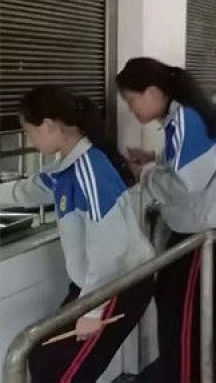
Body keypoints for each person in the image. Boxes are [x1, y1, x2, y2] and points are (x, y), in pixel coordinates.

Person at [0, 86, 155, 383]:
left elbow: (109, 250)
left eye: (29, 131)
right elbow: (28, 190)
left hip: (118, 285)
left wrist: (92, 312)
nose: (30, 140)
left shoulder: (90, 171)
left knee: (59, 373)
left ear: (48, 125)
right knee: (41, 357)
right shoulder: (67, 166)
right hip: (98, 285)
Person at [117, 57, 216, 383]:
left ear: (153, 91)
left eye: (131, 100)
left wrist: (145, 174)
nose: (131, 109)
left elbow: (187, 183)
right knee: (179, 312)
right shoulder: (183, 116)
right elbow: (191, 165)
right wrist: (155, 161)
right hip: (199, 228)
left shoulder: (187, 118)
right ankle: (177, 370)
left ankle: (179, 374)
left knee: (182, 317)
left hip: (201, 234)